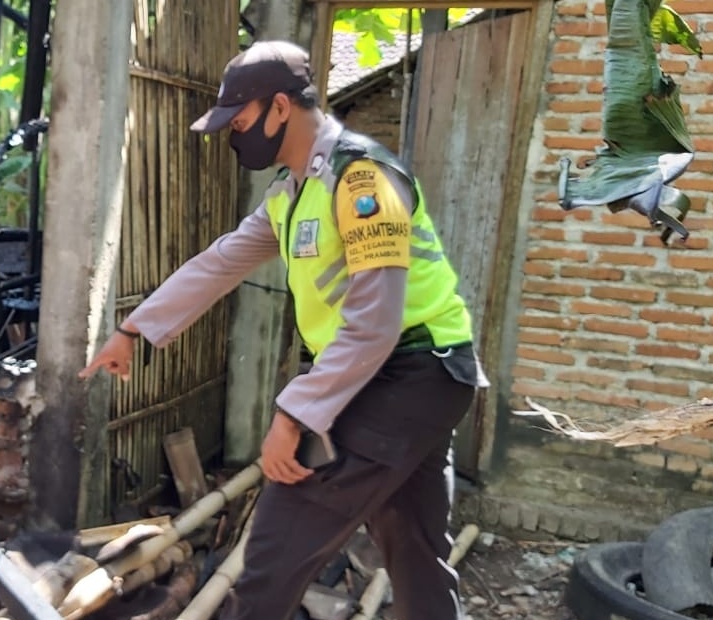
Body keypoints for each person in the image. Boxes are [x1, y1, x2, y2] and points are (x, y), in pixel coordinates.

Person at [79, 40, 488, 620]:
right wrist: (135, 331)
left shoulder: (361, 179)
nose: (233, 135)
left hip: (410, 372)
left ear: (278, 107)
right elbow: (219, 262)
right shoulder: (294, 193)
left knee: (276, 544)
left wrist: (294, 415)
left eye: (238, 120)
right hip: (413, 378)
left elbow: (374, 322)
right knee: (415, 550)